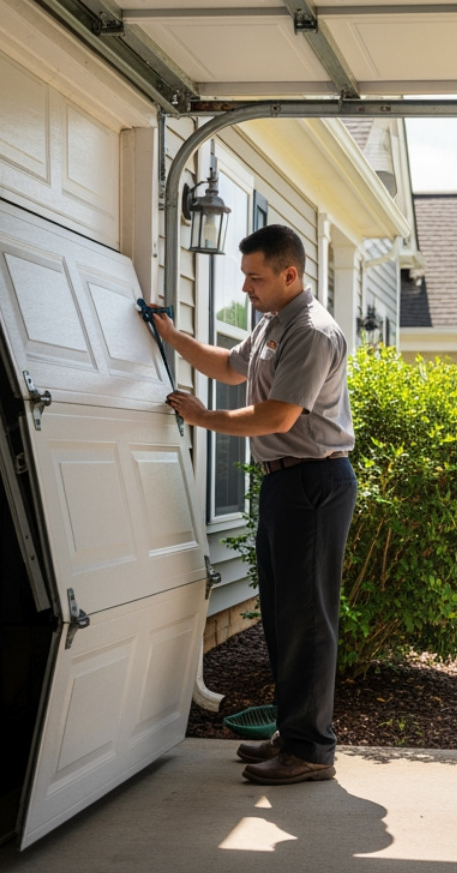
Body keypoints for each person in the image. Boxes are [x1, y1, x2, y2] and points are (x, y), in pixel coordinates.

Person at [153, 224, 356, 785]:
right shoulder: (273, 321)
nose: (245, 287)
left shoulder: (311, 332)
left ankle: (311, 750)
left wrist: (205, 418)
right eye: (244, 276)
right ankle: (294, 734)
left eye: (254, 277)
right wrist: (170, 335)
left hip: (313, 483)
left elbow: (278, 416)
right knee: (284, 616)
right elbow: (227, 366)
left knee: (307, 620)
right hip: (286, 483)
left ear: (289, 275)